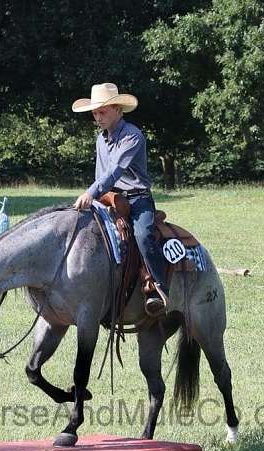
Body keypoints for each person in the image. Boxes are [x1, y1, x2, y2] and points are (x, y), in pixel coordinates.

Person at [72, 82, 168, 316]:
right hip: (109, 200)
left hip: (137, 200)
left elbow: (113, 171)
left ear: (117, 109)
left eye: (102, 111)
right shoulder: (100, 139)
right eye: (95, 113)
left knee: (144, 236)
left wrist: (90, 192)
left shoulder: (132, 136)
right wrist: (97, 198)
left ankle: (159, 287)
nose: (97, 117)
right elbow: (101, 175)